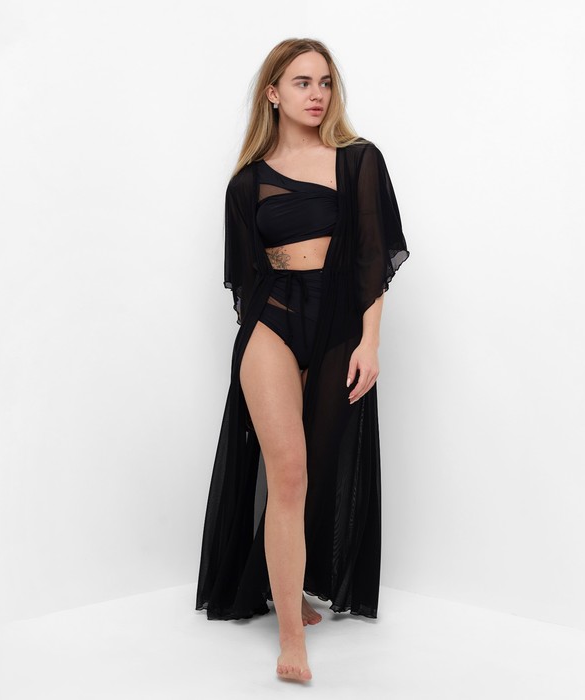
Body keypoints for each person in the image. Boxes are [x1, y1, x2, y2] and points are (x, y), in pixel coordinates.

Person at [195, 37, 409, 683]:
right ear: (273, 93)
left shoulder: (359, 159)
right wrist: (262, 339)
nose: (316, 94)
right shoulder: (247, 183)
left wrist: (370, 342)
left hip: (340, 324)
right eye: (301, 82)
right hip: (273, 322)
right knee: (287, 471)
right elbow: (244, 279)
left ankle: (285, 584)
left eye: (324, 82)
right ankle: (291, 637)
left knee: (320, 465)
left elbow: (372, 258)